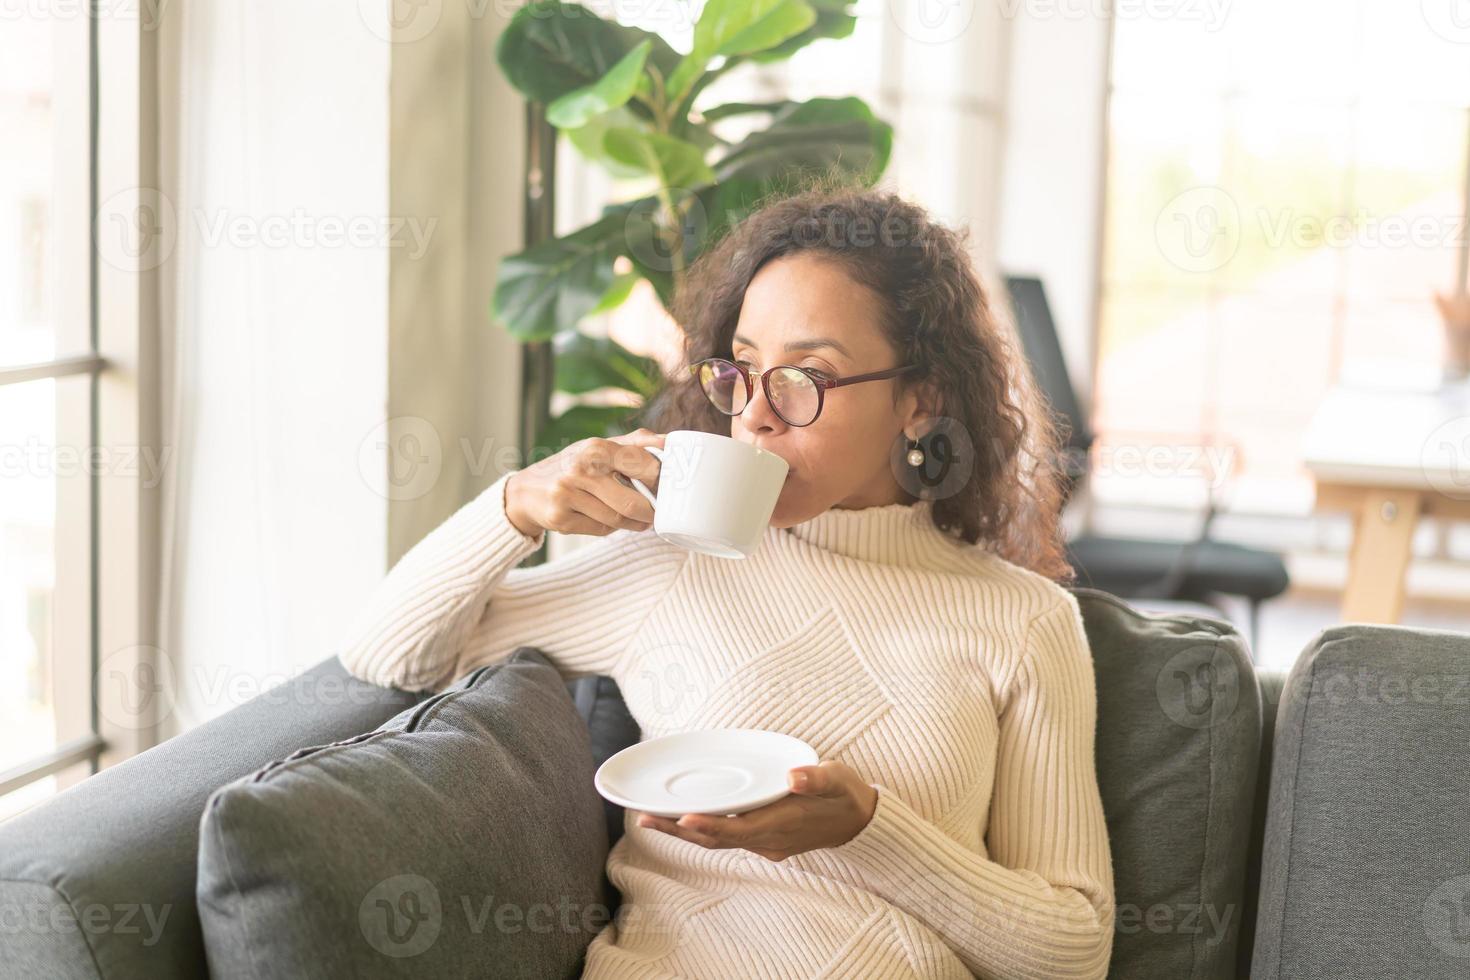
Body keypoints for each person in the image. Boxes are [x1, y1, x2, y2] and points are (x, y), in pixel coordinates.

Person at [339, 182, 1115, 979]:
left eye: (805, 376)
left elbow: (1073, 951)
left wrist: (871, 830)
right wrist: (512, 508)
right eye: (743, 370)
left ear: (922, 401)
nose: (754, 416)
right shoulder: (670, 564)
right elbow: (389, 654)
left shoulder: (1025, 623)